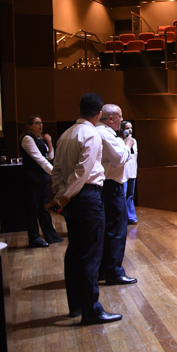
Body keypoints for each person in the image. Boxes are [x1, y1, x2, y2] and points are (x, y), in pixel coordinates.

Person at [50, 93, 122, 325]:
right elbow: (83, 172)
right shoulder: (90, 134)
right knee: (90, 255)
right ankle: (91, 309)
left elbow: (57, 170)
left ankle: (76, 306)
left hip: (73, 198)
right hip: (87, 198)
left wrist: (61, 193)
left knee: (75, 253)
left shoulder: (66, 134)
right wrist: (66, 197)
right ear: (99, 113)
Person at [96, 104, 137, 286]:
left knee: (109, 230)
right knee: (116, 231)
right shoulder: (105, 134)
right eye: (120, 116)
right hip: (111, 186)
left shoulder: (102, 133)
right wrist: (127, 145)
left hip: (106, 186)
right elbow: (120, 159)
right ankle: (114, 272)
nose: (122, 120)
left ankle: (104, 270)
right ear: (111, 118)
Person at [20, 114, 62, 247]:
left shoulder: (40, 139)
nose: (40, 125)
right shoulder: (27, 139)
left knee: (44, 208)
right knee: (32, 209)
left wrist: (49, 142)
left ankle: (50, 235)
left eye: (41, 122)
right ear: (29, 126)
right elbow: (39, 159)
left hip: (42, 179)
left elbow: (50, 157)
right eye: (37, 123)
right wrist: (56, 174)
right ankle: (34, 238)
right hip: (32, 179)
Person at [121, 121, 138, 225]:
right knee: (122, 195)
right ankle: (122, 218)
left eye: (131, 128)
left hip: (132, 172)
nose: (130, 130)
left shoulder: (134, 141)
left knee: (130, 195)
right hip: (123, 173)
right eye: (127, 128)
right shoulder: (119, 141)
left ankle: (131, 217)